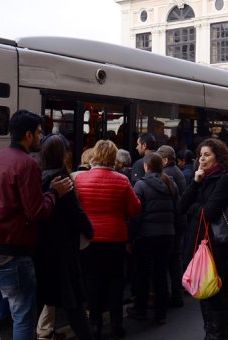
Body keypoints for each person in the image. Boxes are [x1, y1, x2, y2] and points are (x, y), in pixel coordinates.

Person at [0, 110, 74, 340]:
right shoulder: (27, 165)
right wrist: (53, 193)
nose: (41, 137)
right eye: (39, 133)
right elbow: (37, 211)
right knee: (23, 317)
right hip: (11, 255)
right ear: (28, 135)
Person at [180, 138, 228, 339]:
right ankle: (217, 330)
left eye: (207, 155)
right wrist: (195, 182)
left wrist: (195, 208)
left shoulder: (224, 179)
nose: (202, 159)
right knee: (206, 288)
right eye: (200, 155)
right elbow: (181, 206)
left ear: (218, 157)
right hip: (199, 242)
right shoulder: (201, 178)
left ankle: (216, 334)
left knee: (213, 289)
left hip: (215, 243)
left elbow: (208, 213)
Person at [75, 140, 141, 339]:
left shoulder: (80, 179)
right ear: (113, 157)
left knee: (92, 281)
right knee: (115, 281)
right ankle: (116, 324)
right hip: (115, 237)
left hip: (89, 238)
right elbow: (134, 209)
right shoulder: (122, 180)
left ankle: (94, 324)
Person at [35, 133, 94, 340]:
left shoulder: (38, 176)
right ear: (62, 154)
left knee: (40, 301)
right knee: (74, 305)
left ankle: (43, 332)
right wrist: (89, 231)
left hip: (41, 249)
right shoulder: (61, 179)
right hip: (63, 251)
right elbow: (75, 213)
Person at [126, 152, 177, 324]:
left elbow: (136, 215)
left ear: (146, 166)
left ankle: (140, 309)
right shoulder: (170, 183)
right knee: (161, 274)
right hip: (167, 234)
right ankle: (160, 313)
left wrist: (131, 237)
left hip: (146, 236)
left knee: (142, 274)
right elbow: (177, 209)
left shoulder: (140, 185)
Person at [156, 145, 187, 308]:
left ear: (165, 160)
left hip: (172, 223)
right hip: (180, 221)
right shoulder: (178, 171)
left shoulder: (168, 175)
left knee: (170, 261)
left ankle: (172, 296)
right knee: (176, 259)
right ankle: (178, 295)